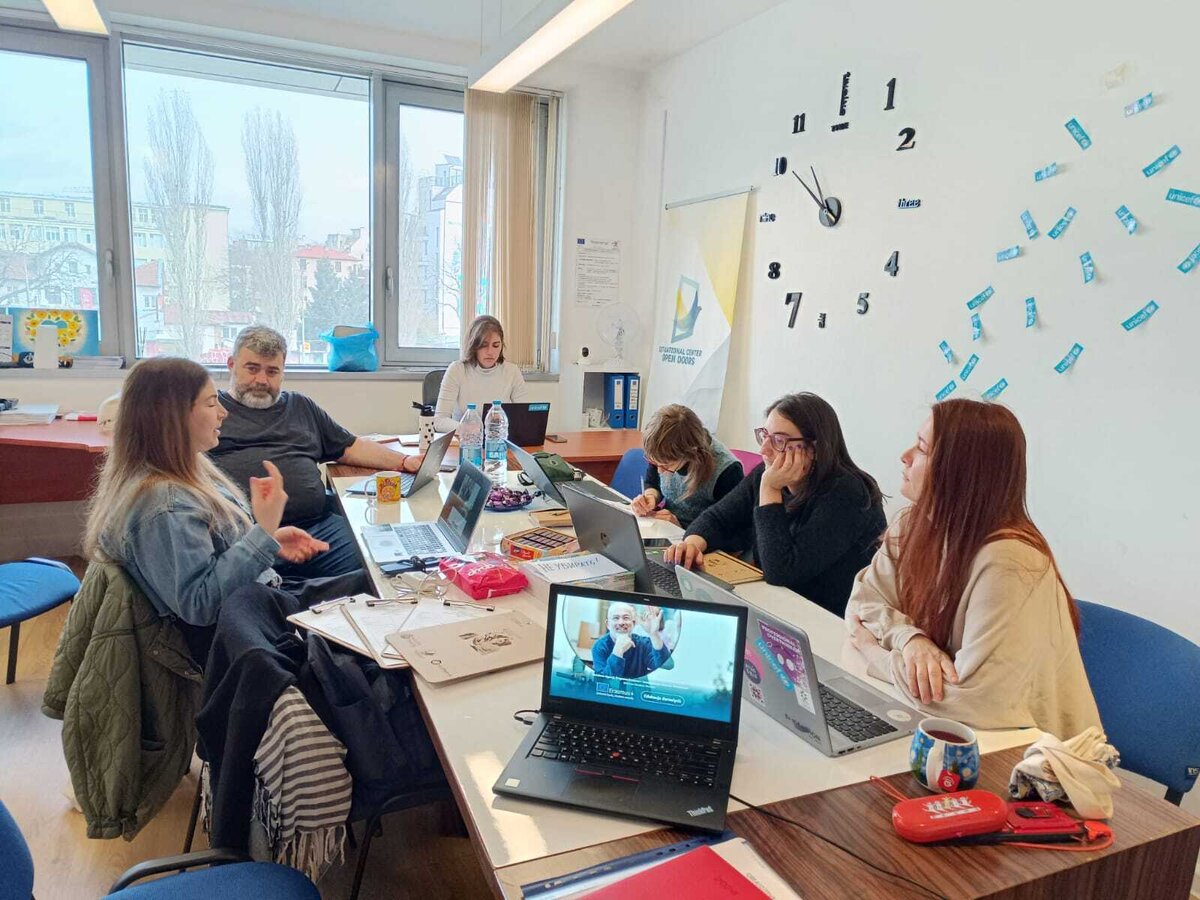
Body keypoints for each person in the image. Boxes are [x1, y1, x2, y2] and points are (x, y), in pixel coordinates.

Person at [83, 357, 367, 663]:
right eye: (210, 403)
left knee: (377, 584)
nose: (223, 412)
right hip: (242, 641)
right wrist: (263, 531)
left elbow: (215, 555)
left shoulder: (184, 470)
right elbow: (201, 605)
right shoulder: (165, 506)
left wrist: (269, 543)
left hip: (259, 604)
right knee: (380, 601)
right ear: (172, 416)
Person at [844, 399, 1101, 736]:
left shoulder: (1009, 561)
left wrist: (872, 652)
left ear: (959, 471)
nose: (905, 456)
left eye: (921, 448)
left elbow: (976, 701)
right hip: (951, 732)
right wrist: (911, 640)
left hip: (1031, 753)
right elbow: (863, 603)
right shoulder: (912, 524)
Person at [211, 325, 424, 579]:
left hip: (318, 528)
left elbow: (349, 446)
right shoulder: (212, 413)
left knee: (386, 568)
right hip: (247, 539)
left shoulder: (300, 406)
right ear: (232, 364)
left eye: (272, 371)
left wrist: (404, 461)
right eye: (252, 368)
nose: (262, 380)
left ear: (283, 371)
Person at [665, 392, 885, 616]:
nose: (763, 449)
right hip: (781, 606)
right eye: (765, 436)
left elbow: (781, 571)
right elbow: (717, 518)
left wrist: (770, 489)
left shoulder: (848, 493)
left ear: (814, 449)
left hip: (831, 619)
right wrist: (692, 544)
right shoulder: (767, 472)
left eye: (779, 441)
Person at [630, 404, 743, 529]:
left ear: (690, 453)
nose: (660, 471)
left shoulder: (728, 471)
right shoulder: (663, 452)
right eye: (655, 463)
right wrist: (650, 497)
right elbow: (653, 482)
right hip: (666, 527)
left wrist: (681, 528)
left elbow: (732, 530)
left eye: (666, 465)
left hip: (700, 537)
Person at [433, 315, 529, 432]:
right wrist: (467, 428)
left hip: (498, 438)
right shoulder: (457, 370)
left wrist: (505, 423)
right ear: (473, 346)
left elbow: (526, 417)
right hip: (465, 439)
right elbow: (439, 421)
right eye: (484, 345)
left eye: (496, 345)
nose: (490, 352)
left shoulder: (512, 371)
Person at [590, 602, 672, 679]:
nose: (621, 622)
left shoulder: (643, 643)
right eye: (616, 618)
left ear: (633, 623)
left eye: (626, 618)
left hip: (637, 689)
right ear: (608, 624)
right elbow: (604, 681)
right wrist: (618, 650)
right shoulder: (600, 646)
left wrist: (654, 634)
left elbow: (668, 665)